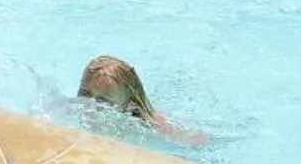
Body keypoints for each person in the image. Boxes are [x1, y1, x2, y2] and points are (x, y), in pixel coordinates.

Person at [77, 56, 205, 144]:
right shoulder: (75, 109)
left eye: (103, 102)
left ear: (128, 104)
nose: (91, 104)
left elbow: (192, 139)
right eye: (85, 93)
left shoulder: (148, 125)